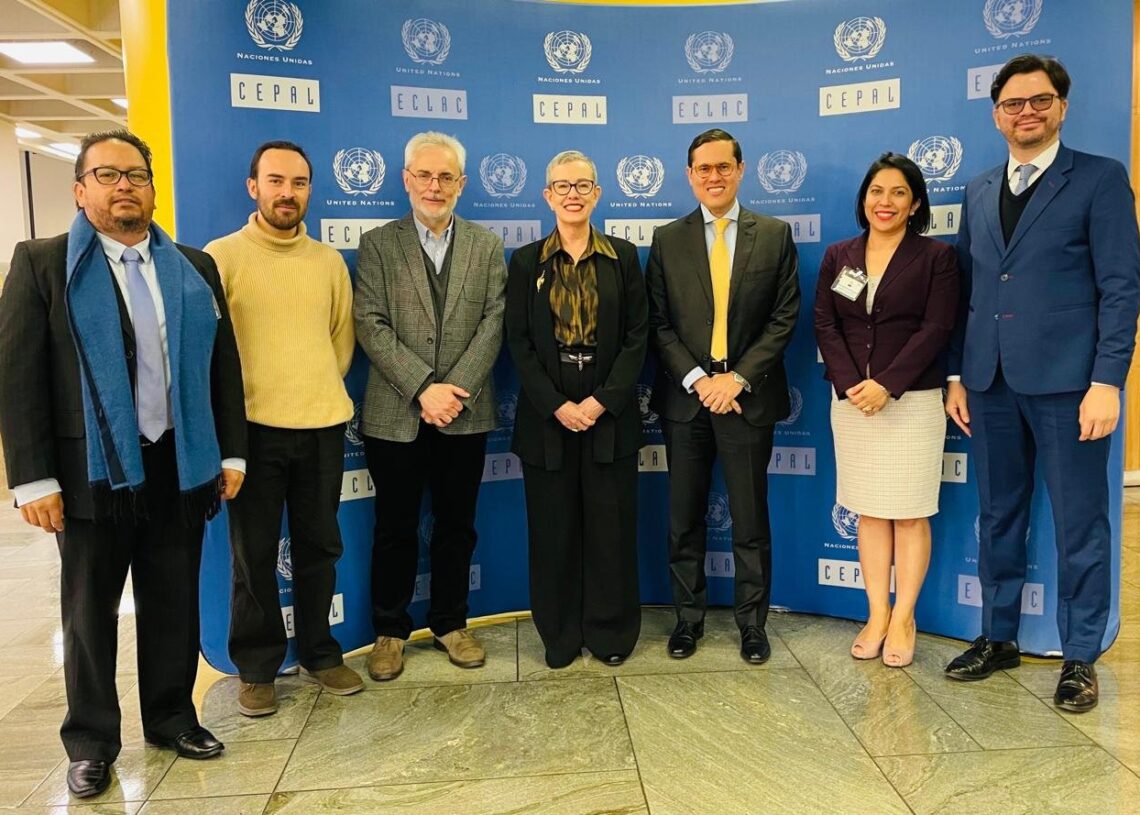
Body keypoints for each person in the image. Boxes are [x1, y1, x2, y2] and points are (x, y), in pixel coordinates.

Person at [0, 130, 247, 797]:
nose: (124, 187)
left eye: (136, 175)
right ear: (80, 190)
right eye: (107, 175)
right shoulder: (42, 264)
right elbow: (18, 377)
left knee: (172, 601)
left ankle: (172, 718)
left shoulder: (193, 268)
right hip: (91, 474)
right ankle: (90, 741)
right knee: (89, 614)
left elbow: (221, 367)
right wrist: (33, 478)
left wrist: (229, 450)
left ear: (152, 188)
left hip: (179, 465)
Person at [944, 54, 1140, 712]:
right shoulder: (977, 189)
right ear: (996, 115)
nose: (1026, 111)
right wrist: (957, 373)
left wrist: (1108, 380)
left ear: (1061, 107)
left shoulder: (1100, 179)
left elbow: (1121, 288)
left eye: (1039, 100)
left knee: (1080, 522)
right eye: (1013, 103)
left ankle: (1079, 654)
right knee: (998, 514)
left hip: (1070, 387)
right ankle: (998, 636)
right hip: (989, 382)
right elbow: (969, 290)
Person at [205, 140, 363, 716]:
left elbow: (340, 342)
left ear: (309, 191)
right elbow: (211, 351)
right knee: (253, 554)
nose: (287, 193)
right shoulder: (220, 258)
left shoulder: (328, 262)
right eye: (275, 181)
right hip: (251, 432)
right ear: (254, 187)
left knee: (321, 547)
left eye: (298, 183)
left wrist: (310, 387)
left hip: (321, 425)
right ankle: (257, 668)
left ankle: (321, 653)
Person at [354, 131, 506, 681]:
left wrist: (453, 390)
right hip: (396, 413)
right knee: (394, 528)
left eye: (445, 177)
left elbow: (494, 322)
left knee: (457, 526)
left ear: (461, 184)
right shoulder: (378, 244)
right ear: (406, 180)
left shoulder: (486, 246)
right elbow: (369, 322)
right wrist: (422, 388)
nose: (434, 186)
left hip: (465, 413)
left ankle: (450, 623)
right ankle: (389, 632)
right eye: (424, 175)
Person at [646, 128, 800, 663]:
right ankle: (687, 621)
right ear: (690, 176)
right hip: (687, 398)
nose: (713, 177)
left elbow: (784, 317)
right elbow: (658, 322)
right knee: (683, 520)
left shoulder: (774, 235)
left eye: (723, 167)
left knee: (750, 521)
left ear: (741, 170)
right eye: (703, 169)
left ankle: (752, 626)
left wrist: (736, 379)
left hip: (746, 398)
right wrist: (698, 379)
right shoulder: (667, 240)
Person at [814, 153, 959, 668]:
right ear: (864, 199)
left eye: (899, 193)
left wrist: (887, 385)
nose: (886, 202)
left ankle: (904, 617)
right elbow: (825, 323)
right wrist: (853, 384)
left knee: (910, 512)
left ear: (915, 203)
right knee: (870, 511)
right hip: (853, 403)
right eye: (877, 191)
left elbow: (937, 328)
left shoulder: (937, 257)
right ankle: (877, 614)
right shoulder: (840, 255)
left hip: (912, 401)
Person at [505, 150, 648, 668]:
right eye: (562, 186)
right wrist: (557, 404)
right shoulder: (526, 262)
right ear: (547, 196)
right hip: (548, 411)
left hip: (609, 406)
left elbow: (637, 336)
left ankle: (611, 634)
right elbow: (518, 342)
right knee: (553, 530)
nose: (572, 194)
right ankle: (560, 635)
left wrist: (602, 400)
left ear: (597, 194)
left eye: (582, 185)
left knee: (611, 530)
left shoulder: (623, 257)